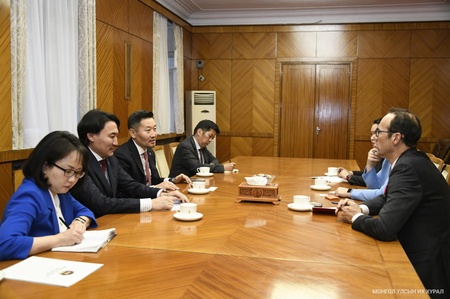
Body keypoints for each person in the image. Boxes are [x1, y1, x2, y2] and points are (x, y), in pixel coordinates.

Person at [336, 108, 450, 294]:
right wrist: (362, 208)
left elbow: (384, 229)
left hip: (426, 269)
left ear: (396, 138)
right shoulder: (410, 160)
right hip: (420, 253)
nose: (374, 137)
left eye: (379, 132)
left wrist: (356, 217)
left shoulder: (408, 167)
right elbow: (387, 196)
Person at [70, 109, 188, 218]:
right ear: (91, 136)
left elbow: (131, 185)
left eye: (116, 136)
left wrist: (160, 193)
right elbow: (100, 203)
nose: (116, 142)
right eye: (112, 136)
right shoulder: (79, 163)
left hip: (114, 219)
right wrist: (150, 204)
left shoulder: (110, 159)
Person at [0, 131, 97, 261]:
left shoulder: (60, 191)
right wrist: (60, 239)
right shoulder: (29, 196)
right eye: (68, 171)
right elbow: (6, 243)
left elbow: (85, 211)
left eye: (78, 173)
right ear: (45, 167)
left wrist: (80, 222)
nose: (73, 179)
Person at [115, 110, 191, 188]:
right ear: (133, 133)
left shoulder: (149, 152)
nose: (154, 134)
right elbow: (131, 189)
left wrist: (173, 180)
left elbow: (154, 181)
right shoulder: (122, 155)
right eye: (148, 130)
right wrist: (156, 188)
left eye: (154, 129)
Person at [333, 118, 392, 201]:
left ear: (395, 138)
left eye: (377, 133)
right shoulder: (387, 159)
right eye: (372, 134)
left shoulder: (404, 164)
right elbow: (374, 186)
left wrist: (350, 191)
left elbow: (383, 194)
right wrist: (369, 163)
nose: (373, 138)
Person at [169, 119, 235, 177]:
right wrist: (222, 167)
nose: (210, 140)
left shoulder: (202, 146)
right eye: (210, 136)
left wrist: (211, 165)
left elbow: (214, 160)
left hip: (195, 182)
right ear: (199, 132)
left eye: (212, 138)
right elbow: (196, 167)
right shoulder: (185, 147)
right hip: (179, 185)